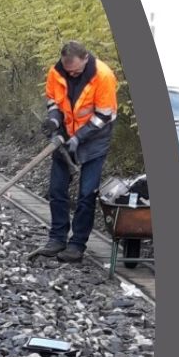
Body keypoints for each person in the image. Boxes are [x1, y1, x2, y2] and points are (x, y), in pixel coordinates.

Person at [36, 41, 119, 263]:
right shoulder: (56, 72)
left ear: (85, 58)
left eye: (75, 70)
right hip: (66, 135)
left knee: (86, 194)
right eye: (68, 70)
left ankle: (77, 244)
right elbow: (53, 102)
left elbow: (104, 116)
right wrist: (55, 123)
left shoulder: (103, 76)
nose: (71, 74)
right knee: (57, 188)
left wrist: (79, 138)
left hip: (95, 139)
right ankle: (57, 238)